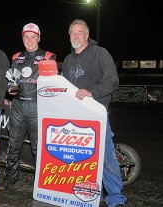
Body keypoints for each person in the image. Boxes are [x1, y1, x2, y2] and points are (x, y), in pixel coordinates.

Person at [61, 19, 127, 207]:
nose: (75, 36)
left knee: (106, 158)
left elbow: (112, 80)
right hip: (75, 117)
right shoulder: (67, 60)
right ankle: (87, 195)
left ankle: (115, 198)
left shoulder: (100, 53)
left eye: (79, 32)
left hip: (96, 115)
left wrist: (92, 93)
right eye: (72, 33)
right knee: (80, 159)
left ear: (87, 35)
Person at [0, 23, 56, 190]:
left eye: (33, 37)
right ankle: (10, 177)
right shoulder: (16, 57)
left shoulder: (48, 56)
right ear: (22, 38)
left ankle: (42, 181)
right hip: (18, 105)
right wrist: (10, 88)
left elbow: (52, 85)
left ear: (38, 38)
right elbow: (12, 86)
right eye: (26, 37)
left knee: (38, 146)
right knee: (14, 143)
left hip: (37, 105)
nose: (29, 40)